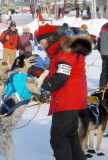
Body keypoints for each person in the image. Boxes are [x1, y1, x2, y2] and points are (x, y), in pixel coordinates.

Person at [35, 23, 92, 160]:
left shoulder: (64, 52)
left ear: (50, 37)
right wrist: (37, 72)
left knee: (58, 139)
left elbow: (60, 79)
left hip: (67, 100)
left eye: (42, 41)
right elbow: (58, 73)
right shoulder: (62, 50)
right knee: (70, 136)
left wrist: (42, 81)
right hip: (71, 99)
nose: (41, 45)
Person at [97, 22, 108, 88]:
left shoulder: (104, 26)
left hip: (104, 53)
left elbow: (98, 40)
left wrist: (102, 51)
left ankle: (102, 90)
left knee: (104, 72)